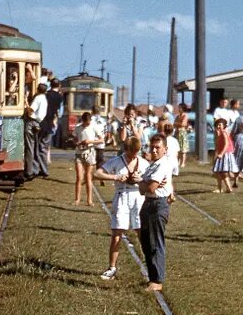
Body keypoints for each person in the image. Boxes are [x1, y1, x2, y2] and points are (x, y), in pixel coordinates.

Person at [93, 136, 149, 281]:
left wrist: (140, 180)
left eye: (136, 152)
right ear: (126, 150)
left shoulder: (143, 163)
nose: (133, 156)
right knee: (117, 232)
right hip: (122, 195)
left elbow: (151, 180)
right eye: (131, 153)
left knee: (140, 231)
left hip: (138, 196)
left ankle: (149, 265)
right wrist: (116, 177)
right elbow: (97, 173)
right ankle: (112, 267)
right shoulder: (117, 161)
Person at [139, 134, 173, 292]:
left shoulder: (162, 165)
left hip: (157, 205)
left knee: (155, 243)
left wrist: (145, 183)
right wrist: (145, 183)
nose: (153, 150)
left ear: (165, 149)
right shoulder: (153, 165)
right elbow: (142, 188)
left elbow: (151, 187)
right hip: (148, 203)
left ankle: (157, 280)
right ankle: (152, 276)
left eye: (157, 147)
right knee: (146, 242)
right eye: (152, 147)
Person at [73, 111, 102, 206]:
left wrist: (91, 142)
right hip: (79, 153)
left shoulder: (94, 127)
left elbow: (101, 140)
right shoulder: (78, 128)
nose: (86, 124)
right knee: (79, 177)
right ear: (82, 121)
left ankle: (89, 200)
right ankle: (77, 199)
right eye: (85, 123)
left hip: (90, 153)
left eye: (88, 122)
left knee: (88, 177)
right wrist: (77, 142)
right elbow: (74, 139)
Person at [25, 84, 48, 178]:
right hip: (38, 123)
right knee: (35, 148)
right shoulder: (44, 99)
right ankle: (35, 169)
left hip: (31, 123)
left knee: (30, 147)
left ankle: (29, 171)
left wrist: (26, 102)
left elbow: (31, 110)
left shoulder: (38, 98)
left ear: (37, 90)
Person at [211, 118, 237, 193]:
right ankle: (222, 188)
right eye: (217, 125)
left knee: (222, 172)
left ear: (224, 126)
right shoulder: (220, 133)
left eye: (220, 125)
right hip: (221, 154)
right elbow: (218, 145)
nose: (218, 126)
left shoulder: (224, 132)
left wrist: (221, 154)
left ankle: (225, 188)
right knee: (219, 172)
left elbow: (226, 144)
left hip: (225, 154)